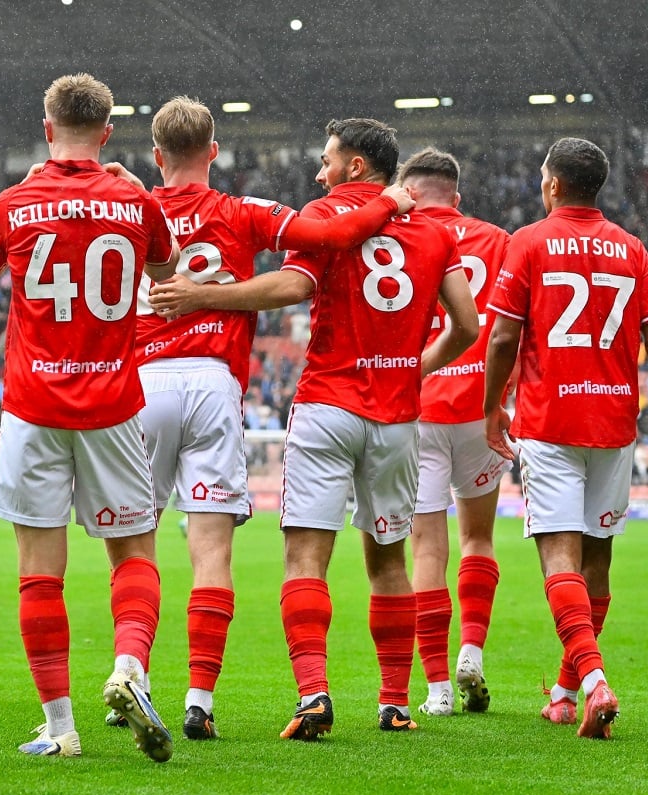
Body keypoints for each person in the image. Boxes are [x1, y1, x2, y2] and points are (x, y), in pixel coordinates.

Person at [150, 118, 479, 738]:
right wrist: (413, 369)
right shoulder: (436, 234)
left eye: (327, 160)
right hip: (395, 416)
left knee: (306, 558)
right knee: (388, 562)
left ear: (356, 166)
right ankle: (393, 703)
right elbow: (465, 325)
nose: (319, 172)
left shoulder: (325, 215)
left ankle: (314, 697)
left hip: (328, 402)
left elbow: (293, 285)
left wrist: (204, 296)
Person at [0, 73, 180, 761]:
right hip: (114, 405)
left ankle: (60, 728)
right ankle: (128, 668)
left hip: (34, 406)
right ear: (109, 133)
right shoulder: (133, 199)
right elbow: (165, 259)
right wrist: (130, 190)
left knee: (38, 569)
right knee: (134, 552)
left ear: (48, 124)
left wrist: (27, 197)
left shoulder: (13, 202)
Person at [483, 136, 648, 739]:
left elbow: (501, 339)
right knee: (597, 557)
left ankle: (596, 682)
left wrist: (494, 405)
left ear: (552, 185)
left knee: (558, 556)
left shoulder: (528, 242)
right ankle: (565, 692)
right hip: (613, 422)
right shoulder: (630, 248)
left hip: (550, 421)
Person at [396, 147, 511, 717]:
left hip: (416, 406)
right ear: (456, 196)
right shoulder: (495, 238)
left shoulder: (396, 235)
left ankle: (437, 686)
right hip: (478, 405)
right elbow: (514, 325)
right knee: (478, 538)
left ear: (407, 191)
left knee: (426, 545)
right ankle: (472, 648)